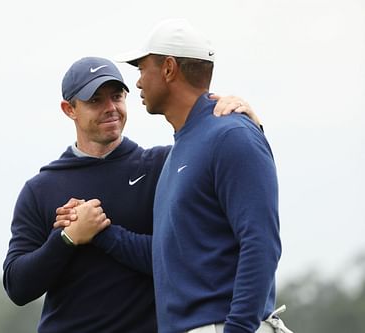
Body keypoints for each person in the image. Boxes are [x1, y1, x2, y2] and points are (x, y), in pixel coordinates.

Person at [56, 19, 293, 333]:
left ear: (168, 69)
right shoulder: (186, 145)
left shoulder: (231, 134)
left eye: (142, 69)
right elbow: (168, 255)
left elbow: (261, 242)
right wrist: (100, 231)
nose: (138, 83)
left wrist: (237, 329)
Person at [3, 56, 260, 333]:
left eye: (116, 97)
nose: (110, 108)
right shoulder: (41, 188)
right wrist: (67, 237)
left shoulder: (164, 166)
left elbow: (183, 257)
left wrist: (251, 125)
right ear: (69, 109)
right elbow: (18, 287)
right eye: (95, 100)